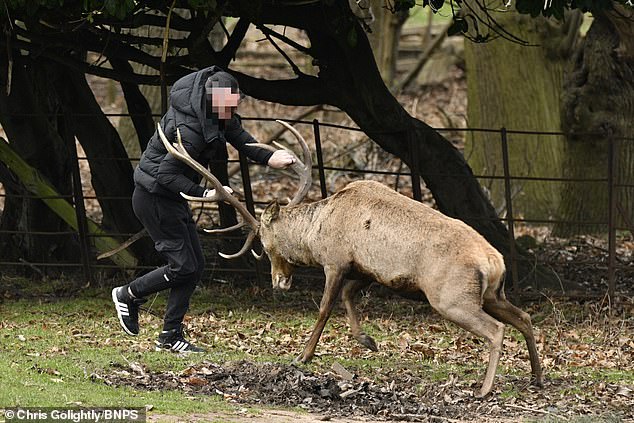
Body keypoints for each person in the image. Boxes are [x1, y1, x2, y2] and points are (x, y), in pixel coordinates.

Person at [111, 66, 295, 353]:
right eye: (228, 108)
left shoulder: (218, 113)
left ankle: (170, 337)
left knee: (194, 266)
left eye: (235, 107)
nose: (231, 114)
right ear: (212, 101)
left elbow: (242, 138)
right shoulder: (191, 129)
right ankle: (128, 294)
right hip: (154, 198)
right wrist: (207, 193)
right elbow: (165, 175)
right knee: (183, 266)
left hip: (171, 199)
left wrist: (270, 157)